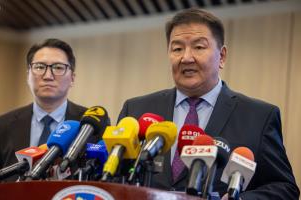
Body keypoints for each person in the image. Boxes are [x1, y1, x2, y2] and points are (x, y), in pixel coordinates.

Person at [118, 9, 299, 199]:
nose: (186, 57)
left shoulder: (259, 116)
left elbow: (284, 188)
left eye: (198, 47)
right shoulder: (137, 111)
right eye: (177, 49)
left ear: (221, 57)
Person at [0, 39, 99, 182]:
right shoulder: (2, 125)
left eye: (58, 67)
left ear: (72, 78)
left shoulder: (91, 124)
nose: (48, 76)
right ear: (28, 75)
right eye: (40, 67)